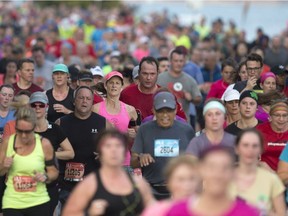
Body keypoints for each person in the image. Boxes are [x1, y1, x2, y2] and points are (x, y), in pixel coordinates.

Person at [62, 129, 154, 216]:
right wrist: (89, 213)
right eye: (108, 146)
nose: (114, 150)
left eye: (118, 145)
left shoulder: (138, 183)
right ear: (100, 152)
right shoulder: (90, 184)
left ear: (124, 151)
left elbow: (154, 211)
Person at [131, 91, 195, 199]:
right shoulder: (144, 129)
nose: (165, 115)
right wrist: (140, 158)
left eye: (169, 111)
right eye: (161, 111)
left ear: (175, 110)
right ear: (154, 111)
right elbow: (132, 162)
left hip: (180, 190)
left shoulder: (186, 130)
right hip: (151, 190)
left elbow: (195, 161)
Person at [56, 86, 111, 207]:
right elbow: (51, 151)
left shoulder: (103, 123)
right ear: (74, 101)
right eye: (81, 98)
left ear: (92, 102)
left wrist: (105, 154)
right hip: (67, 186)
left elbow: (116, 148)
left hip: (94, 184)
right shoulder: (61, 122)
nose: (84, 101)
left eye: (88, 98)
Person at [167, 146, 259, 216]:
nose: (218, 175)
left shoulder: (247, 213)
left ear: (233, 173)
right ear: (200, 170)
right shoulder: (178, 212)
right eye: (211, 167)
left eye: (225, 168)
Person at [0, 107, 58, 216]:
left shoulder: (44, 144)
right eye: (19, 131)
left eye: (27, 131)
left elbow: (53, 171)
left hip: (38, 202)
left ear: (34, 128)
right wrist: (4, 166)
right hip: (13, 202)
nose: (23, 135)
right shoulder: (8, 142)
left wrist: (46, 176)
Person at [29, 91, 75, 215]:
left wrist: (51, 154)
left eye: (41, 105)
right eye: (34, 105)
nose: (38, 108)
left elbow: (70, 153)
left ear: (47, 107)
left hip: (50, 185)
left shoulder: (55, 129)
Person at [230, 128, 286, 215]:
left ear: (261, 150)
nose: (250, 150)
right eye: (245, 145)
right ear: (236, 148)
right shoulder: (223, 178)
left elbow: (280, 213)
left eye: (255, 145)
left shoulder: (272, 180)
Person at [92, 71, 138, 173]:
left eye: (117, 83)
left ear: (122, 86)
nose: (114, 86)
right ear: (105, 85)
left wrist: (134, 135)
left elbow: (138, 136)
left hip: (125, 162)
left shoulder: (130, 110)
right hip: (102, 162)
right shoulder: (95, 109)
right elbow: (90, 133)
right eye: (111, 82)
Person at [157, 48, 202, 120]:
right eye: (176, 61)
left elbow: (198, 98)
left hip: (184, 121)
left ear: (184, 62)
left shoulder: (190, 80)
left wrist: (192, 99)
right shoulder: (159, 78)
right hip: (163, 120)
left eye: (181, 61)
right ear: (170, 61)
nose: (178, 63)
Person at [256, 100, 288, 171]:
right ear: (270, 117)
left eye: (285, 115)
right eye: (277, 115)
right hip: (264, 173)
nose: (281, 119)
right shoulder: (260, 130)